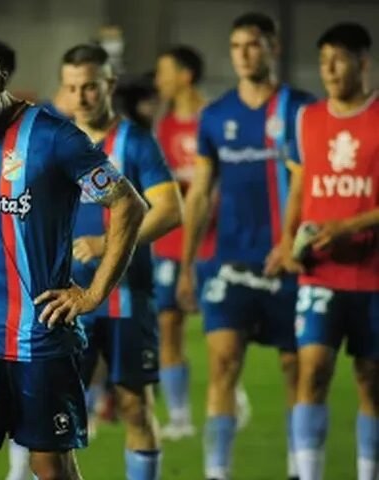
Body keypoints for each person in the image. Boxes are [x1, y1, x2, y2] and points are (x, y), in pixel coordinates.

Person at [0, 32, 147, 480]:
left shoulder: (54, 137)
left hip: (39, 337)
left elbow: (128, 204)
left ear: (0, 78)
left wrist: (94, 293)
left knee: (50, 469)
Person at [176, 13, 316, 480]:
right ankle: (217, 473)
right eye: (236, 46)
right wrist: (187, 264)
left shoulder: (300, 110)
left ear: (273, 48)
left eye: (253, 44)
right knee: (222, 364)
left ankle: (299, 469)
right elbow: (200, 193)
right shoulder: (216, 115)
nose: (243, 54)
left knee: (296, 368)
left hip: (289, 264)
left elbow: (315, 183)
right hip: (230, 263)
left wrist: (294, 242)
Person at [62, 43, 182, 479]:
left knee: (134, 405)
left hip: (126, 299)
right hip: (65, 299)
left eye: (90, 87)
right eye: (72, 88)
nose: (81, 97)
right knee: (54, 412)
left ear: (109, 84)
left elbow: (170, 210)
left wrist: (108, 242)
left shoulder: (135, 141)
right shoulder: (55, 140)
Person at [273, 23, 378, 480]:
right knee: (312, 370)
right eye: (323, 61)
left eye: (339, 60)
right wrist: (286, 240)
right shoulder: (307, 118)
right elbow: (300, 185)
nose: (329, 70)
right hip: (320, 271)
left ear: (363, 63)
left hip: (373, 274)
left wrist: (346, 226)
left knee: (371, 381)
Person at [152, 45, 214, 440]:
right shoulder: (164, 126)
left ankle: (232, 393)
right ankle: (179, 416)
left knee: (222, 330)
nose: (159, 80)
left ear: (185, 75)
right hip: (171, 241)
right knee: (168, 322)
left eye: (165, 72)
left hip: (213, 241)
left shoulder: (212, 120)